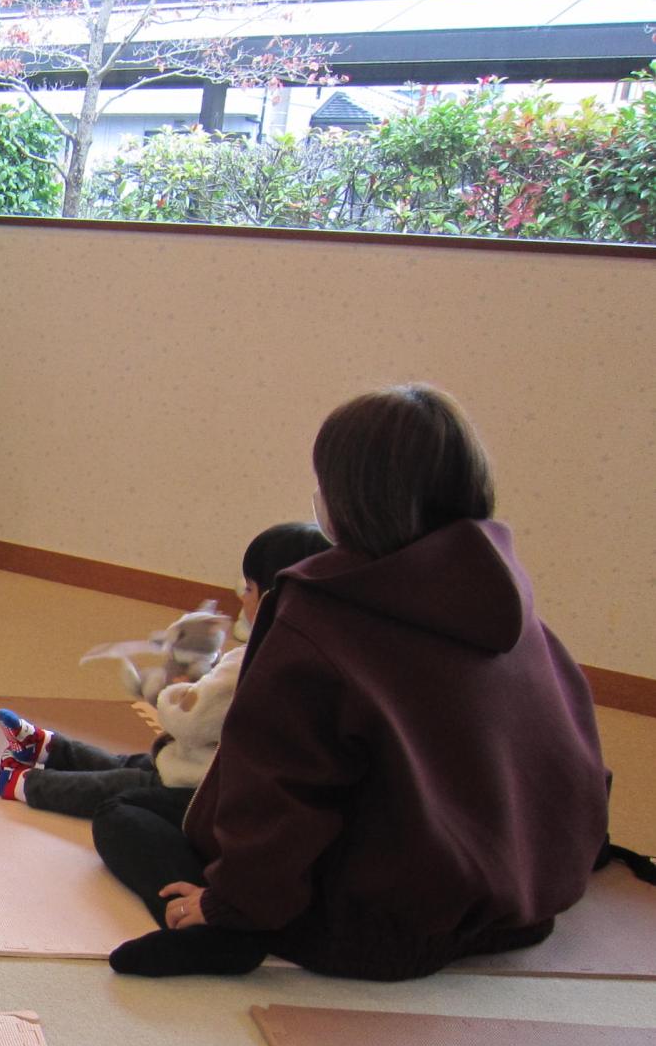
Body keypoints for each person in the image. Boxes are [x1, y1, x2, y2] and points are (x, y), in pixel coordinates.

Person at [90, 386, 610, 980]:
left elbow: (279, 792)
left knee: (124, 811)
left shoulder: (321, 615)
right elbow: (572, 758)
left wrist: (231, 903)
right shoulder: (505, 599)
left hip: (380, 929)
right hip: (522, 906)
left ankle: (221, 937)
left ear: (348, 496)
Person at [0, 523, 331, 817]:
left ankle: (24, 783)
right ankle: (49, 747)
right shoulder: (305, 655)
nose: (242, 599)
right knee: (133, 764)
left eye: (249, 589)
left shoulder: (253, 662)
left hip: (197, 785)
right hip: (199, 764)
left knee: (117, 784)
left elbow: (190, 721)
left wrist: (170, 693)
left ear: (274, 599)